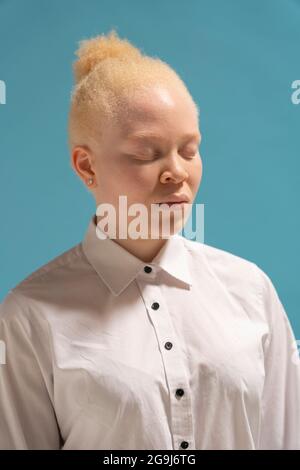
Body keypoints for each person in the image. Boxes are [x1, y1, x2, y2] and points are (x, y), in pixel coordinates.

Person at [0, 29, 299, 450]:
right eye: (147, 153)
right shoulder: (29, 315)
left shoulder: (251, 290)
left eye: (189, 150)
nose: (176, 172)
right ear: (86, 167)